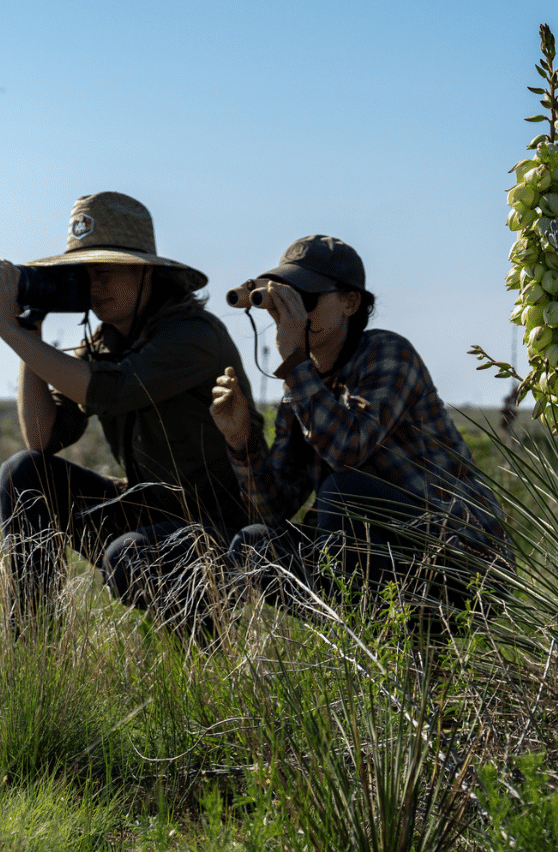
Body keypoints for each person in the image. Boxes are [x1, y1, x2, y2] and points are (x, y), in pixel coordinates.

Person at [0, 191, 262, 640]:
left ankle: (215, 654)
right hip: (151, 508)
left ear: (146, 272)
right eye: (84, 273)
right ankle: (35, 647)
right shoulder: (105, 342)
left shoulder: (193, 336)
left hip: (221, 528)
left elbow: (111, 391)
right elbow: (41, 436)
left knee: (128, 554)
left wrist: (11, 332)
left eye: (106, 270)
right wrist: (28, 333)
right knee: (24, 471)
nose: (95, 285)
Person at [209, 235, 502, 626]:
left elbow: (349, 448)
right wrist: (241, 440)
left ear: (350, 303)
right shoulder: (300, 389)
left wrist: (294, 361)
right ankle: (376, 652)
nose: (292, 314)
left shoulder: (387, 353)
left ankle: (410, 650)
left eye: (306, 300)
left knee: (344, 493)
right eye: (284, 299)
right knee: (256, 545)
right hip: (388, 566)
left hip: (464, 565)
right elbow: (273, 509)